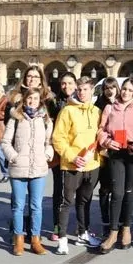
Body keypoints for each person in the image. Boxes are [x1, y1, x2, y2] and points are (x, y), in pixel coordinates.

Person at [97, 75, 133, 254]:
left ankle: (126, 228)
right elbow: (101, 130)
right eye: (124, 89)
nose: (126, 92)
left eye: (130, 90)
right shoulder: (110, 107)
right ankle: (113, 232)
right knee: (117, 192)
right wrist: (106, 141)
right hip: (116, 152)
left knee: (130, 192)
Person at [51, 76, 103, 255]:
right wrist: (72, 157)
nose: (82, 93)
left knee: (85, 202)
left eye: (86, 89)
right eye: (79, 90)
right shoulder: (67, 111)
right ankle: (62, 239)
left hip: (92, 164)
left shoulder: (97, 111)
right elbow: (58, 138)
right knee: (66, 202)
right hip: (72, 165)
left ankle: (83, 233)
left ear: (92, 91)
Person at [0, 87, 53, 256]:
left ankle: (36, 240)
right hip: (18, 168)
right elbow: (5, 142)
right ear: (25, 99)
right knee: (18, 206)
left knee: (36, 206)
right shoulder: (15, 117)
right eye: (30, 98)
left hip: (38, 168)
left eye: (36, 99)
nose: (32, 102)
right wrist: (14, 157)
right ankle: (19, 239)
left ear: (40, 101)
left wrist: (47, 155)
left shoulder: (45, 119)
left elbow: (49, 141)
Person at [46, 72, 77, 243]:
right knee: (59, 190)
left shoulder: (81, 101)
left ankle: (81, 226)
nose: (66, 86)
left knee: (77, 190)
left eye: (70, 83)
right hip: (59, 152)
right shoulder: (53, 103)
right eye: (63, 83)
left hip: (77, 151)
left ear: (75, 84)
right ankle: (57, 226)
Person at [94, 77, 120, 236]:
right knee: (104, 189)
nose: (109, 91)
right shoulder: (98, 106)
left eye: (112, 88)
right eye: (106, 88)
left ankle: (116, 222)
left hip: (119, 152)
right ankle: (105, 220)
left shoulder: (121, 105)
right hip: (103, 153)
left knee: (117, 189)